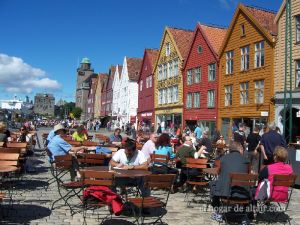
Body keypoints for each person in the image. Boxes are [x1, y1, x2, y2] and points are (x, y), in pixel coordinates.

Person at [210, 141, 250, 223]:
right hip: (243, 193)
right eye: (242, 149)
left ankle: (218, 212)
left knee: (213, 184)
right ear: (239, 149)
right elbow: (248, 175)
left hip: (226, 194)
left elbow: (218, 172)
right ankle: (245, 214)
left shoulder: (223, 158)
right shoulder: (246, 161)